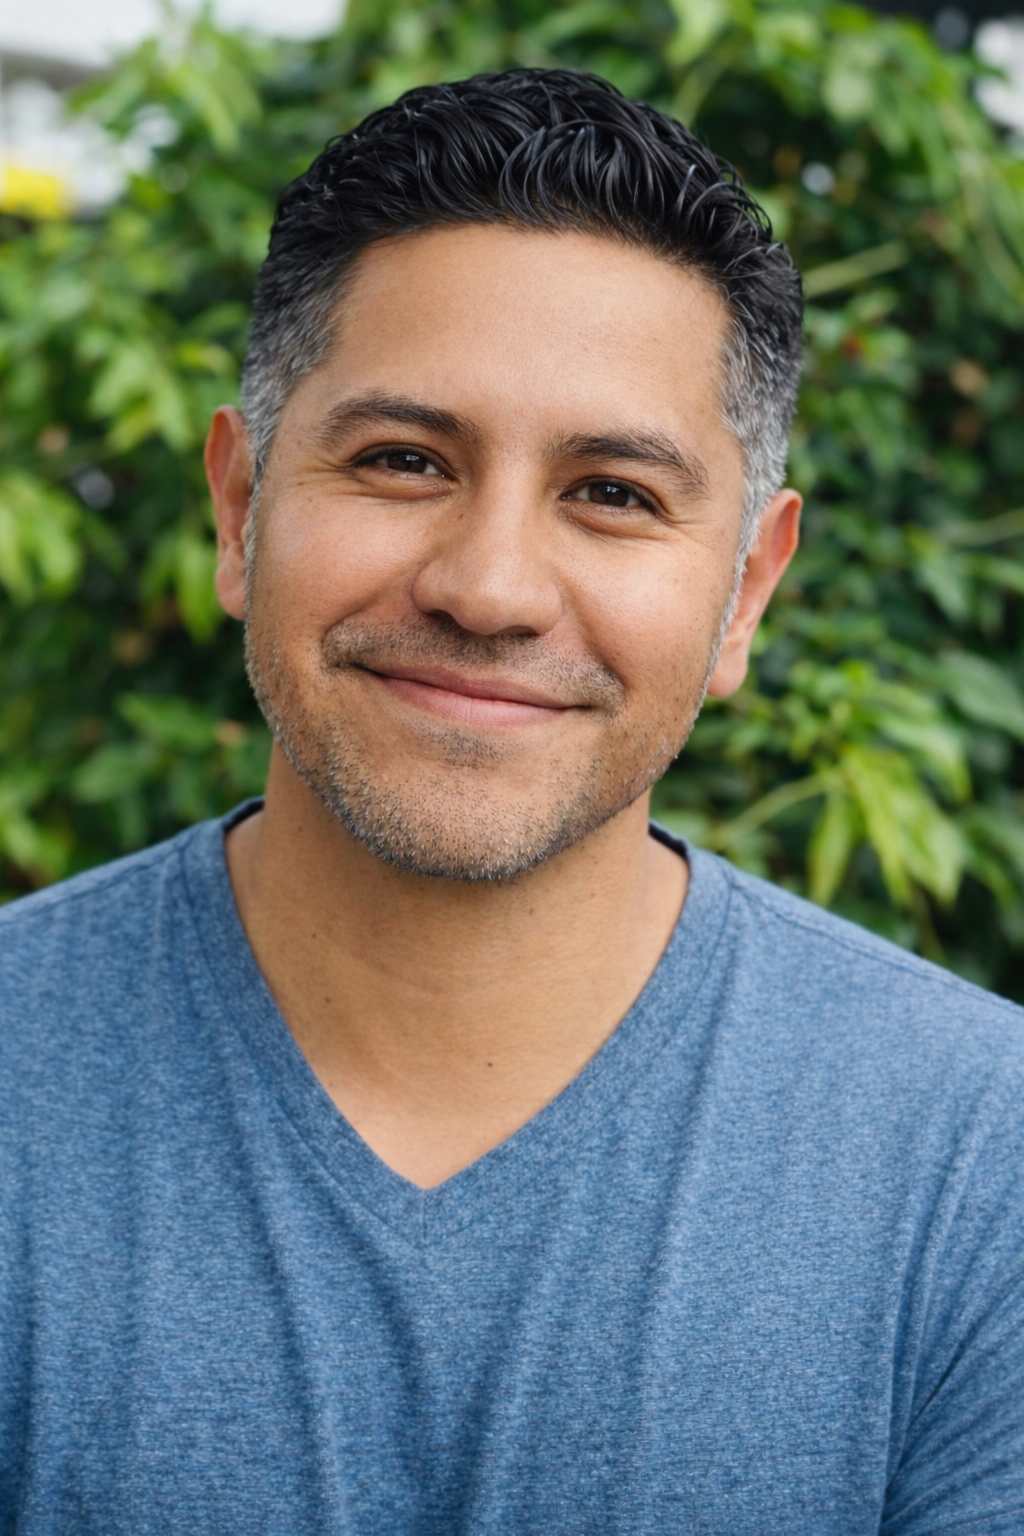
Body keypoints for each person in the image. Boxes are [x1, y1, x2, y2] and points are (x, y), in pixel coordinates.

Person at [1, 68, 1021, 1536]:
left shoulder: (983, 1171)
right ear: (240, 513)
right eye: (403, 460)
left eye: (611, 492)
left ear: (746, 590)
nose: (486, 589)